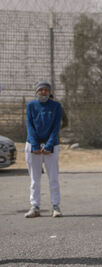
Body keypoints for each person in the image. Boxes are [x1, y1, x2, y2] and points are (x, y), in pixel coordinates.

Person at [24, 81, 63, 218]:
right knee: (35, 179)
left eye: (46, 90)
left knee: (53, 177)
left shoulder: (56, 106)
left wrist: (49, 145)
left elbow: (56, 127)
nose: (43, 92)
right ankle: (35, 206)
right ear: (37, 92)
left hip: (51, 146)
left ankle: (55, 206)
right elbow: (30, 126)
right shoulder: (31, 106)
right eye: (41, 90)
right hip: (33, 146)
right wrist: (35, 145)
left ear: (49, 92)